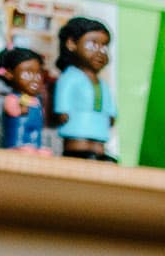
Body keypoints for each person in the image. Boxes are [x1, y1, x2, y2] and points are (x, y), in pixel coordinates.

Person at [51, 16, 115, 160]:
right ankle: (81, 152)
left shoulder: (102, 83)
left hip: (99, 129)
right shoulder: (70, 77)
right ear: (72, 44)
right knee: (81, 152)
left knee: (100, 153)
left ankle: (99, 154)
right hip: (77, 131)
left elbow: (108, 102)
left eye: (104, 47)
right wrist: (62, 111)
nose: (100, 52)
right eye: (93, 45)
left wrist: (111, 114)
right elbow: (63, 96)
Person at [0, 46, 49, 155]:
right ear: (9, 74)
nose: (34, 80)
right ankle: (19, 147)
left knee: (40, 149)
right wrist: (20, 109)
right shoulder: (12, 98)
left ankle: (37, 147)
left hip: (35, 137)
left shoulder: (36, 100)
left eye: (38, 74)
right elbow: (13, 111)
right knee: (24, 147)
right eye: (27, 74)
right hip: (17, 140)